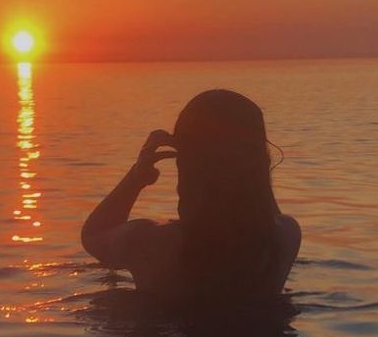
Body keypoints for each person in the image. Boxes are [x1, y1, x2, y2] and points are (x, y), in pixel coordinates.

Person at [81, 89, 301, 308]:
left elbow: (92, 236)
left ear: (184, 162)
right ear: (260, 162)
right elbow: (267, 212)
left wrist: (135, 178)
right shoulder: (285, 239)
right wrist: (256, 167)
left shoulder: (149, 243)